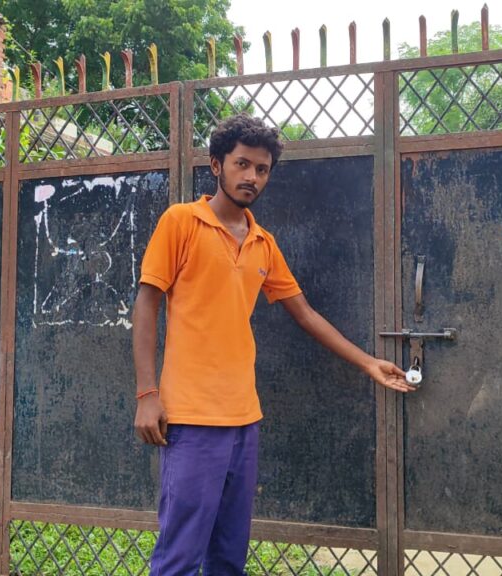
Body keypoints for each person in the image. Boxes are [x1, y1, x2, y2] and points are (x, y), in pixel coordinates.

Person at [132, 114, 414, 576]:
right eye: (242, 164)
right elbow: (146, 304)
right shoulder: (181, 222)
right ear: (216, 165)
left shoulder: (263, 242)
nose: (252, 177)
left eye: (261, 169)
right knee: (179, 557)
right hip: (191, 418)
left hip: (245, 419)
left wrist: (368, 363)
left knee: (229, 557)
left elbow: (305, 313)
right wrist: (147, 394)